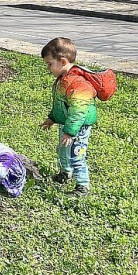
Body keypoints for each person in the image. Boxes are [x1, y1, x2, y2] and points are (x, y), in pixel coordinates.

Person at [40, 37, 97, 196]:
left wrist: (70, 132)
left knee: (76, 154)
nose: (48, 68)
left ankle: (82, 186)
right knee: (63, 150)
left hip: (78, 127)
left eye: (49, 64)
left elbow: (79, 111)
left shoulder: (77, 83)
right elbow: (61, 103)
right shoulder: (63, 79)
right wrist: (52, 118)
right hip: (67, 124)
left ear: (63, 61)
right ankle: (66, 173)